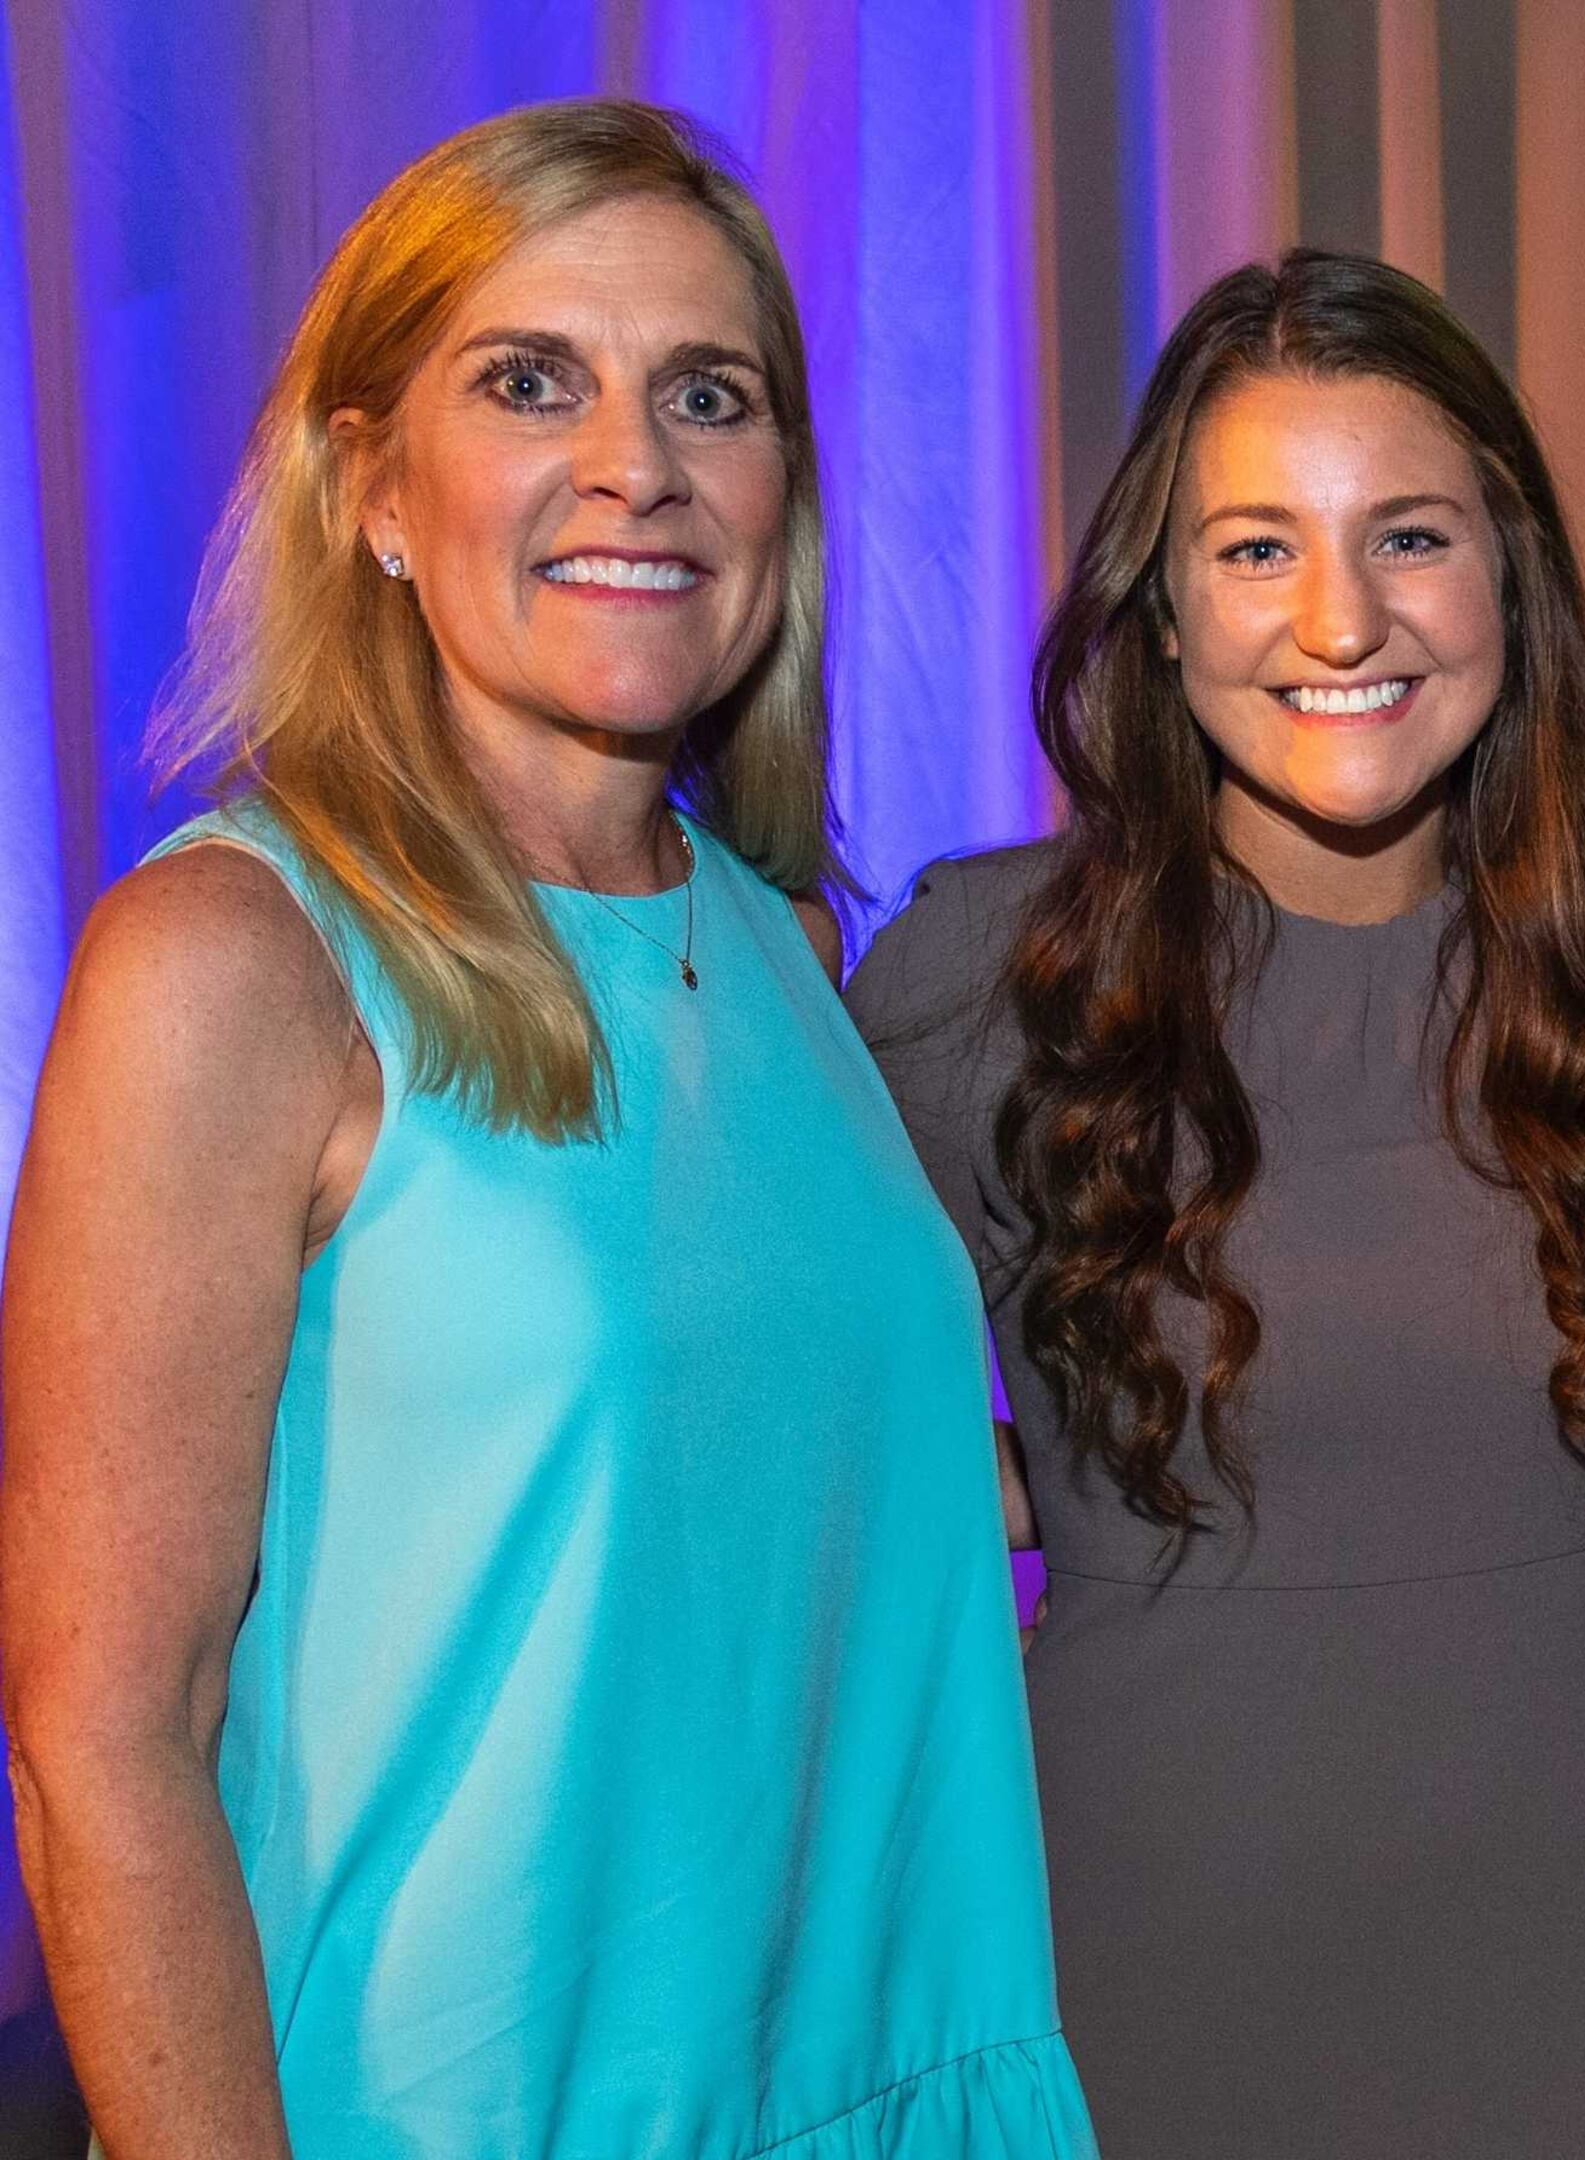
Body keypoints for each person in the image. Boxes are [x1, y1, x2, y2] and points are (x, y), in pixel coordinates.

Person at [0, 99, 1089, 2158]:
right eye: (530, 382)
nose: (637, 466)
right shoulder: (234, 959)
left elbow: (751, 1474)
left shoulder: (776, 942)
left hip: (890, 2084)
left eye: (710, 393)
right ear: (373, 490)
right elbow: (103, 1747)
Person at [847, 248, 1585, 2158]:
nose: (1342, 616)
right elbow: (799, 1445)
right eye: (1256, 547)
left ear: (1509, 583)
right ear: (1159, 615)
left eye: (1409, 535)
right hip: (1139, 1994)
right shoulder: (975, 983)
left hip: (1566, 2003)